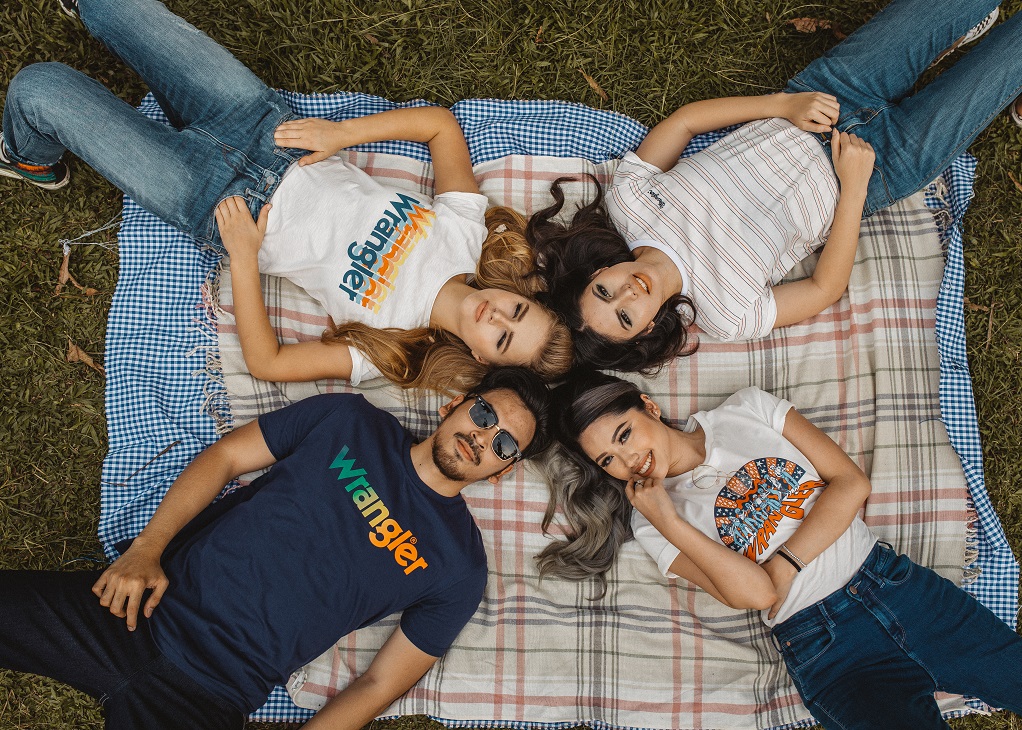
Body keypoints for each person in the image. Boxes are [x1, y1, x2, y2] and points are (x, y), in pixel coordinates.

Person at [0, 0, 573, 393]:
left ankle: (28, 159)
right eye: (518, 310)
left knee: (38, 87)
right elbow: (441, 127)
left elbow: (267, 363)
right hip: (267, 128)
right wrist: (342, 133)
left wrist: (243, 258)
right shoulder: (470, 236)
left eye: (502, 337)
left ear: (481, 358)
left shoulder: (393, 350)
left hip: (215, 199)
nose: (497, 314)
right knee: (106, 6)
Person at [0, 366, 552, 730]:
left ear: (503, 471)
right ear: (456, 404)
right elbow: (226, 459)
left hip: (209, 695)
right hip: (138, 609)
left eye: (504, 443)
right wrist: (147, 548)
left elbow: (380, 683)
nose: (483, 436)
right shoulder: (350, 420)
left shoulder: (460, 567)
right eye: (484, 414)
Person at [529, 0, 1019, 373]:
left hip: (825, 93)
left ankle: (953, 28)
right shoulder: (727, 318)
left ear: (602, 270)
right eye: (625, 317)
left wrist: (781, 105)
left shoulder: (629, 203)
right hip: (879, 168)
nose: (626, 294)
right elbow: (824, 289)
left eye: (604, 290)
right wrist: (854, 189)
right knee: (1010, 60)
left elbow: (683, 123)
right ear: (648, 328)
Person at [539, 370, 1022, 728]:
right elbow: (756, 594)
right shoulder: (650, 523)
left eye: (624, 435)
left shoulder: (746, 409)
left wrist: (787, 563)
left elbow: (850, 483)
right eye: (608, 459)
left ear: (648, 406)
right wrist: (669, 520)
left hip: (895, 587)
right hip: (826, 649)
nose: (629, 460)